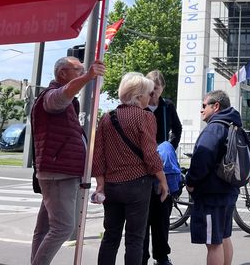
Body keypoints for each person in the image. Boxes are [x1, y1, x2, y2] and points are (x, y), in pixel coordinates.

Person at [30, 56, 105, 265]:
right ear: (62, 73)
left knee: (45, 227)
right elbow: (61, 96)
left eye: (83, 71)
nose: (82, 73)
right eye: (78, 70)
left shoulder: (69, 101)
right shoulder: (51, 96)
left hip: (59, 171)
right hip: (58, 173)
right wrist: (89, 76)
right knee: (62, 227)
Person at [92, 72, 169, 265]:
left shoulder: (107, 118)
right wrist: (163, 180)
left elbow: (98, 156)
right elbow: (151, 155)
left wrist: (100, 184)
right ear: (138, 95)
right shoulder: (145, 117)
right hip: (137, 184)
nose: (150, 97)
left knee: (110, 236)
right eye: (148, 93)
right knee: (135, 238)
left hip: (111, 185)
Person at [185, 90, 241, 265]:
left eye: (203, 106)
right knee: (224, 236)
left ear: (215, 106)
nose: (201, 110)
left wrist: (190, 182)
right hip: (228, 190)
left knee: (213, 243)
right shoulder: (233, 125)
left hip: (212, 195)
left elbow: (202, 159)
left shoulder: (214, 128)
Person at [143, 70, 183, 265]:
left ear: (162, 89)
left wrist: (169, 148)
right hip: (141, 164)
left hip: (162, 164)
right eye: (150, 91)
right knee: (142, 216)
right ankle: (142, 256)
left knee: (161, 215)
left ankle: (161, 256)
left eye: (156, 91)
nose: (153, 96)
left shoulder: (167, 106)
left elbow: (177, 128)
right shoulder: (139, 105)